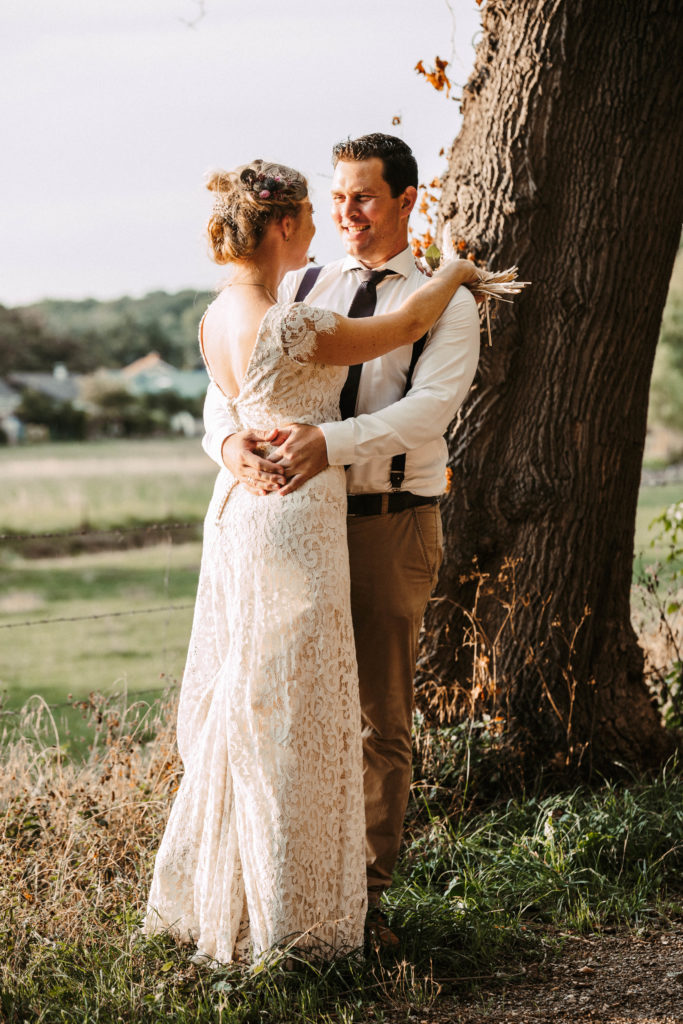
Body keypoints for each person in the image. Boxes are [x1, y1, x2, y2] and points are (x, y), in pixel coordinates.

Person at [142, 158, 482, 965]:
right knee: (281, 711)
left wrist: (326, 443)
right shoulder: (297, 291)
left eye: (361, 196)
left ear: (406, 200)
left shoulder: (436, 302)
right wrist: (229, 444)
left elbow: (428, 409)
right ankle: (284, 903)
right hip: (291, 523)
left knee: (372, 723)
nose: (346, 213)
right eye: (333, 198)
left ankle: (359, 897)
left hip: (386, 522)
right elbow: (228, 397)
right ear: (295, 216)